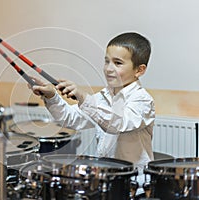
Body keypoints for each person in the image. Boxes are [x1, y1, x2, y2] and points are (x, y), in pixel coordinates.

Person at [29, 32, 155, 195]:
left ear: (139, 70)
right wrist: (51, 96)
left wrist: (84, 98)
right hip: (105, 179)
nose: (109, 69)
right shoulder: (102, 97)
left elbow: (118, 124)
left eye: (118, 63)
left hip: (134, 185)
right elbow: (70, 118)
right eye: (107, 61)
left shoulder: (142, 100)